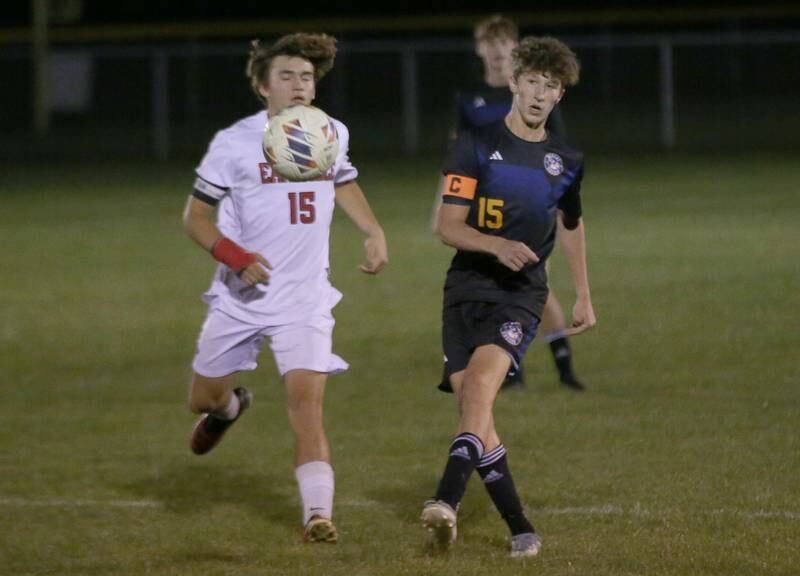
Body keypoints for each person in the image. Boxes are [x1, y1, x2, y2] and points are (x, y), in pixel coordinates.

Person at [183, 33, 388, 544]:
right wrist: (237, 257)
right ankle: (230, 408)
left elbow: (343, 181)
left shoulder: (330, 131)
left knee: (306, 405)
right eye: (286, 76)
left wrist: (373, 230)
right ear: (261, 85)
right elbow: (196, 217)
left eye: (307, 76)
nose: (299, 85)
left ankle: (317, 515)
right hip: (240, 296)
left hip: (304, 300)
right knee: (202, 399)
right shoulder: (233, 143)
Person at [421, 36, 596, 557]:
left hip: (522, 295)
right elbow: (448, 226)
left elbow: (571, 223)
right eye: (534, 83)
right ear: (514, 83)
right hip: (466, 290)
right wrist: (496, 244)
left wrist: (583, 292)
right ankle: (521, 527)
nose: (541, 94)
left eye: (552, 87)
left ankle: (445, 499)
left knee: (478, 390)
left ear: (560, 95)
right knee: (479, 413)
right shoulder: (474, 144)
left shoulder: (565, 159)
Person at [436, 15, 584, 392]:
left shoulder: (533, 95)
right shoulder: (469, 97)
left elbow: (554, 159)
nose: (498, 51)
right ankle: (504, 363)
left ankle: (561, 364)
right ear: (480, 48)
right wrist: (446, 202)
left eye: (505, 43)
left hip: (528, 210)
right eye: (491, 43)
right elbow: (459, 154)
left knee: (536, 284)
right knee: (485, 282)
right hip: (481, 211)